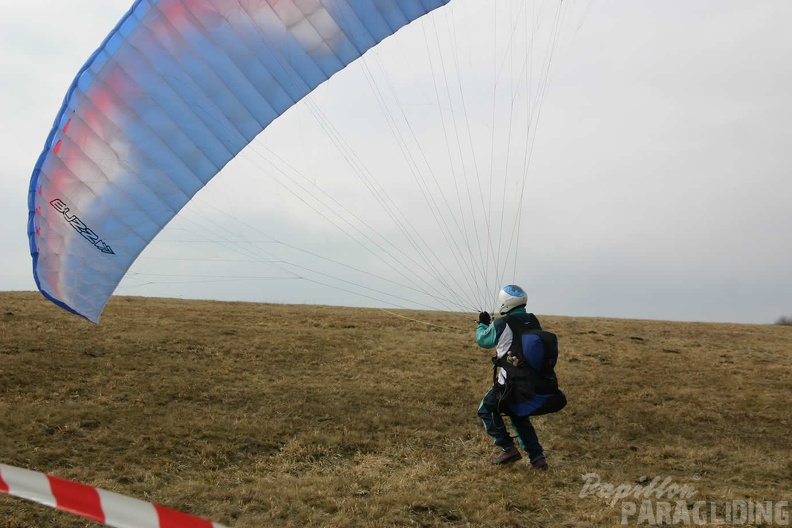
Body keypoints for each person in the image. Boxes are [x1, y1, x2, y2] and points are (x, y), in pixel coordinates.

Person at [475, 284, 559, 468]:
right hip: (530, 379)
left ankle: (508, 448)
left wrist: (482, 324)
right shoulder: (533, 320)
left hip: (509, 381)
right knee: (517, 415)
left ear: (505, 302)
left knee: (486, 409)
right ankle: (538, 458)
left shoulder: (501, 323)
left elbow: (483, 340)